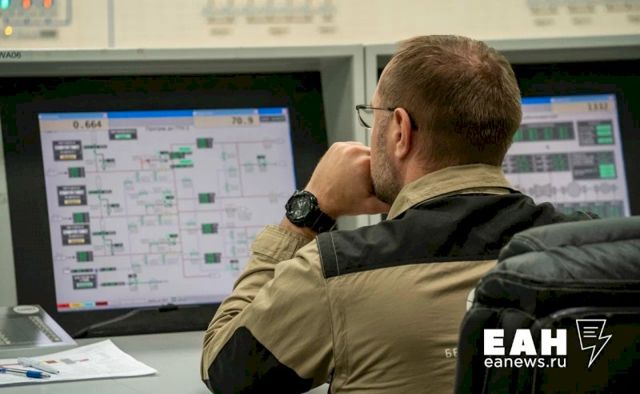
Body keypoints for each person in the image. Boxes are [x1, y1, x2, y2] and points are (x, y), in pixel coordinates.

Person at [200, 35, 591, 393]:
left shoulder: (338, 271)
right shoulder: (590, 252)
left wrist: (305, 216)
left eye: (374, 117)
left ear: (400, 130)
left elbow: (225, 369)